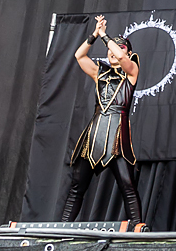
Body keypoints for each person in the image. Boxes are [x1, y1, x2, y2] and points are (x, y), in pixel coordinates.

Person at [60, 15, 144, 230]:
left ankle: (136, 227)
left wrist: (106, 36)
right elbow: (79, 55)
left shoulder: (131, 70)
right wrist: (94, 35)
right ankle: (62, 228)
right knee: (77, 185)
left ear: (127, 52)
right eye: (109, 48)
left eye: (118, 48)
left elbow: (122, 59)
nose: (111, 51)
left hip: (117, 132)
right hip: (96, 132)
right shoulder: (100, 72)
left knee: (127, 184)